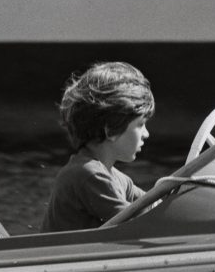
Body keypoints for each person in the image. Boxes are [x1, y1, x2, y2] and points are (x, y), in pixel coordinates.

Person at [40, 62, 155, 232]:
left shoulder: (117, 178)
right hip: (58, 257)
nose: (146, 134)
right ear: (111, 130)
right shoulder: (88, 175)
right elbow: (137, 224)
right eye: (140, 125)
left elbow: (154, 204)